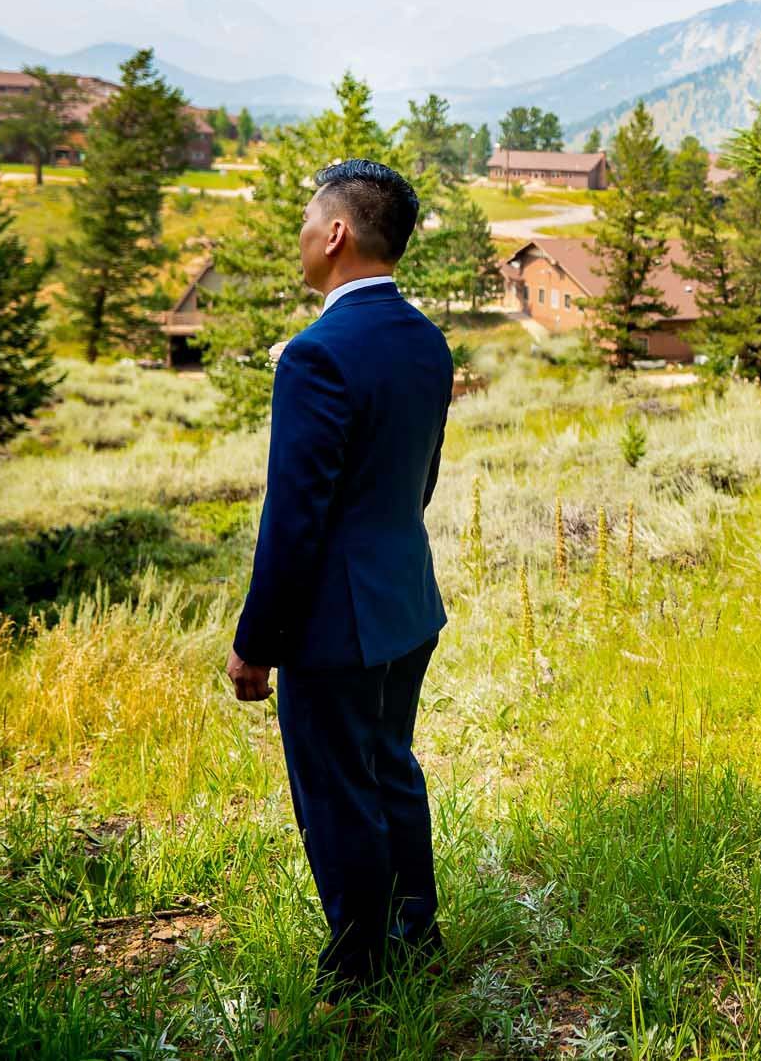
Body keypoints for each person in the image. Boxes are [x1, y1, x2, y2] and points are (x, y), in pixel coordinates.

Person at [225, 158, 455, 992]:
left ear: (336, 233)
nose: (300, 234)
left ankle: (360, 967)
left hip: (336, 622)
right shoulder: (427, 341)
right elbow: (419, 478)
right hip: (406, 600)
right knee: (390, 765)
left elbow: (294, 518)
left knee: (335, 793)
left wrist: (256, 643)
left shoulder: (316, 355)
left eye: (306, 218)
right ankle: (415, 932)